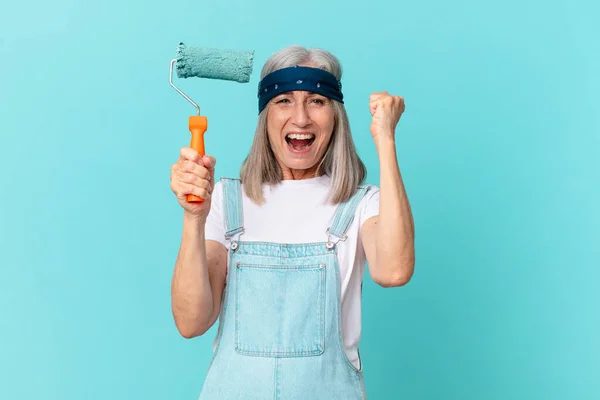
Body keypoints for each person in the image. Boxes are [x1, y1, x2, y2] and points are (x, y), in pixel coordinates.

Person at [169, 45, 415, 399]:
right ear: (265, 116)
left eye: (317, 100)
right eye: (284, 100)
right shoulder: (225, 201)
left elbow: (393, 271)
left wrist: (386, 140)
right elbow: (191, 322)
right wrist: (195, 218)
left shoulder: (362, 204)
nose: (301, 118)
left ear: (336, 116)